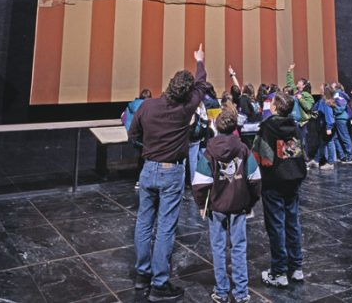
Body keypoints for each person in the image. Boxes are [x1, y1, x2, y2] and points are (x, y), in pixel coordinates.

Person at [128, 44, 209, 301]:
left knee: (143, 221)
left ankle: (142, 275)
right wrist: (199, 62)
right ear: (186, 93)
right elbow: (202, 85)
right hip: (171, 172)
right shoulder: (186, 109)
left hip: (148, 169)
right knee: (165, 227)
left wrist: (146, 150)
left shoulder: (147, 106)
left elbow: (132, 135)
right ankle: (159, 283)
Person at [192, 108, 262, 303]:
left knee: (218, 247)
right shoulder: (243, 149)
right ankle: (241, 293)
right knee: (239, 247)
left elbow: (199, 183)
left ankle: (222, 291)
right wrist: (251, 201)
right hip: (239, 204)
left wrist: (201, 204)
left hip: (216, 206)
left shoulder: (209, 151)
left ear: (215, 126)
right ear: (234, 128)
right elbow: (255, 179)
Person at [252, 91, 307, 288]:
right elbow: (293, 154)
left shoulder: (268, 127)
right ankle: (297, 267)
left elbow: (262, 158)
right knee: (293, 223)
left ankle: (279, 272)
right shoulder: (293, 126)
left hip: (273, 183)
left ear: (275, 107)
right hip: (292, 181)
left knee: (276, 226)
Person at [122, 89, 152, 189]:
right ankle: (145, 181)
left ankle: (139, 180)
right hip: (145, 138)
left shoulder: (131, 105)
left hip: (135, 138)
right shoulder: (148, 106)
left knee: (141, 158)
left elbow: (123, 117)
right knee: (148, 160)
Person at [285, 65, 314, 157]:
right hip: (295, 121)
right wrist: (289, 71)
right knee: (295, 142)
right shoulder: (296, 92)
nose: (297, 82)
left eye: (300, 82)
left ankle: (305, 160)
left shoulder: (306, 95)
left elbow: (308, 107)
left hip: (303, 123)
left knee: (303, 141)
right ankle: (298, 160)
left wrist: (301, 99)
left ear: (304, 85)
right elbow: (290, 84)